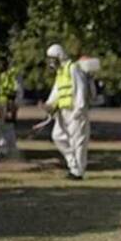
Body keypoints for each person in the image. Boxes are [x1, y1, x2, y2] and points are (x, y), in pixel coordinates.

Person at [44, 44, 91, 180]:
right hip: (63, 112)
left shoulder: (73, 68)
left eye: (52, 58)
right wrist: (49, 105)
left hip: (75, 111)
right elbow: (56, 91)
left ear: (59, 56)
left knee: (78, 142)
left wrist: (80, 109)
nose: (51, 62)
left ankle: (78, 172)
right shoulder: (60, 72)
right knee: (57, 136)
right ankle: (73, 164)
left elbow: (81, 88)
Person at [0, 63, 24, 161]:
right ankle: (12, 152)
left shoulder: (14, 74)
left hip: (9, 104)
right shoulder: (2, 75)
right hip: (2, 105)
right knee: (5, 127)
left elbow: (19, 90)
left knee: (6, 127)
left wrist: (16, 105)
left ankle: (2, 151)